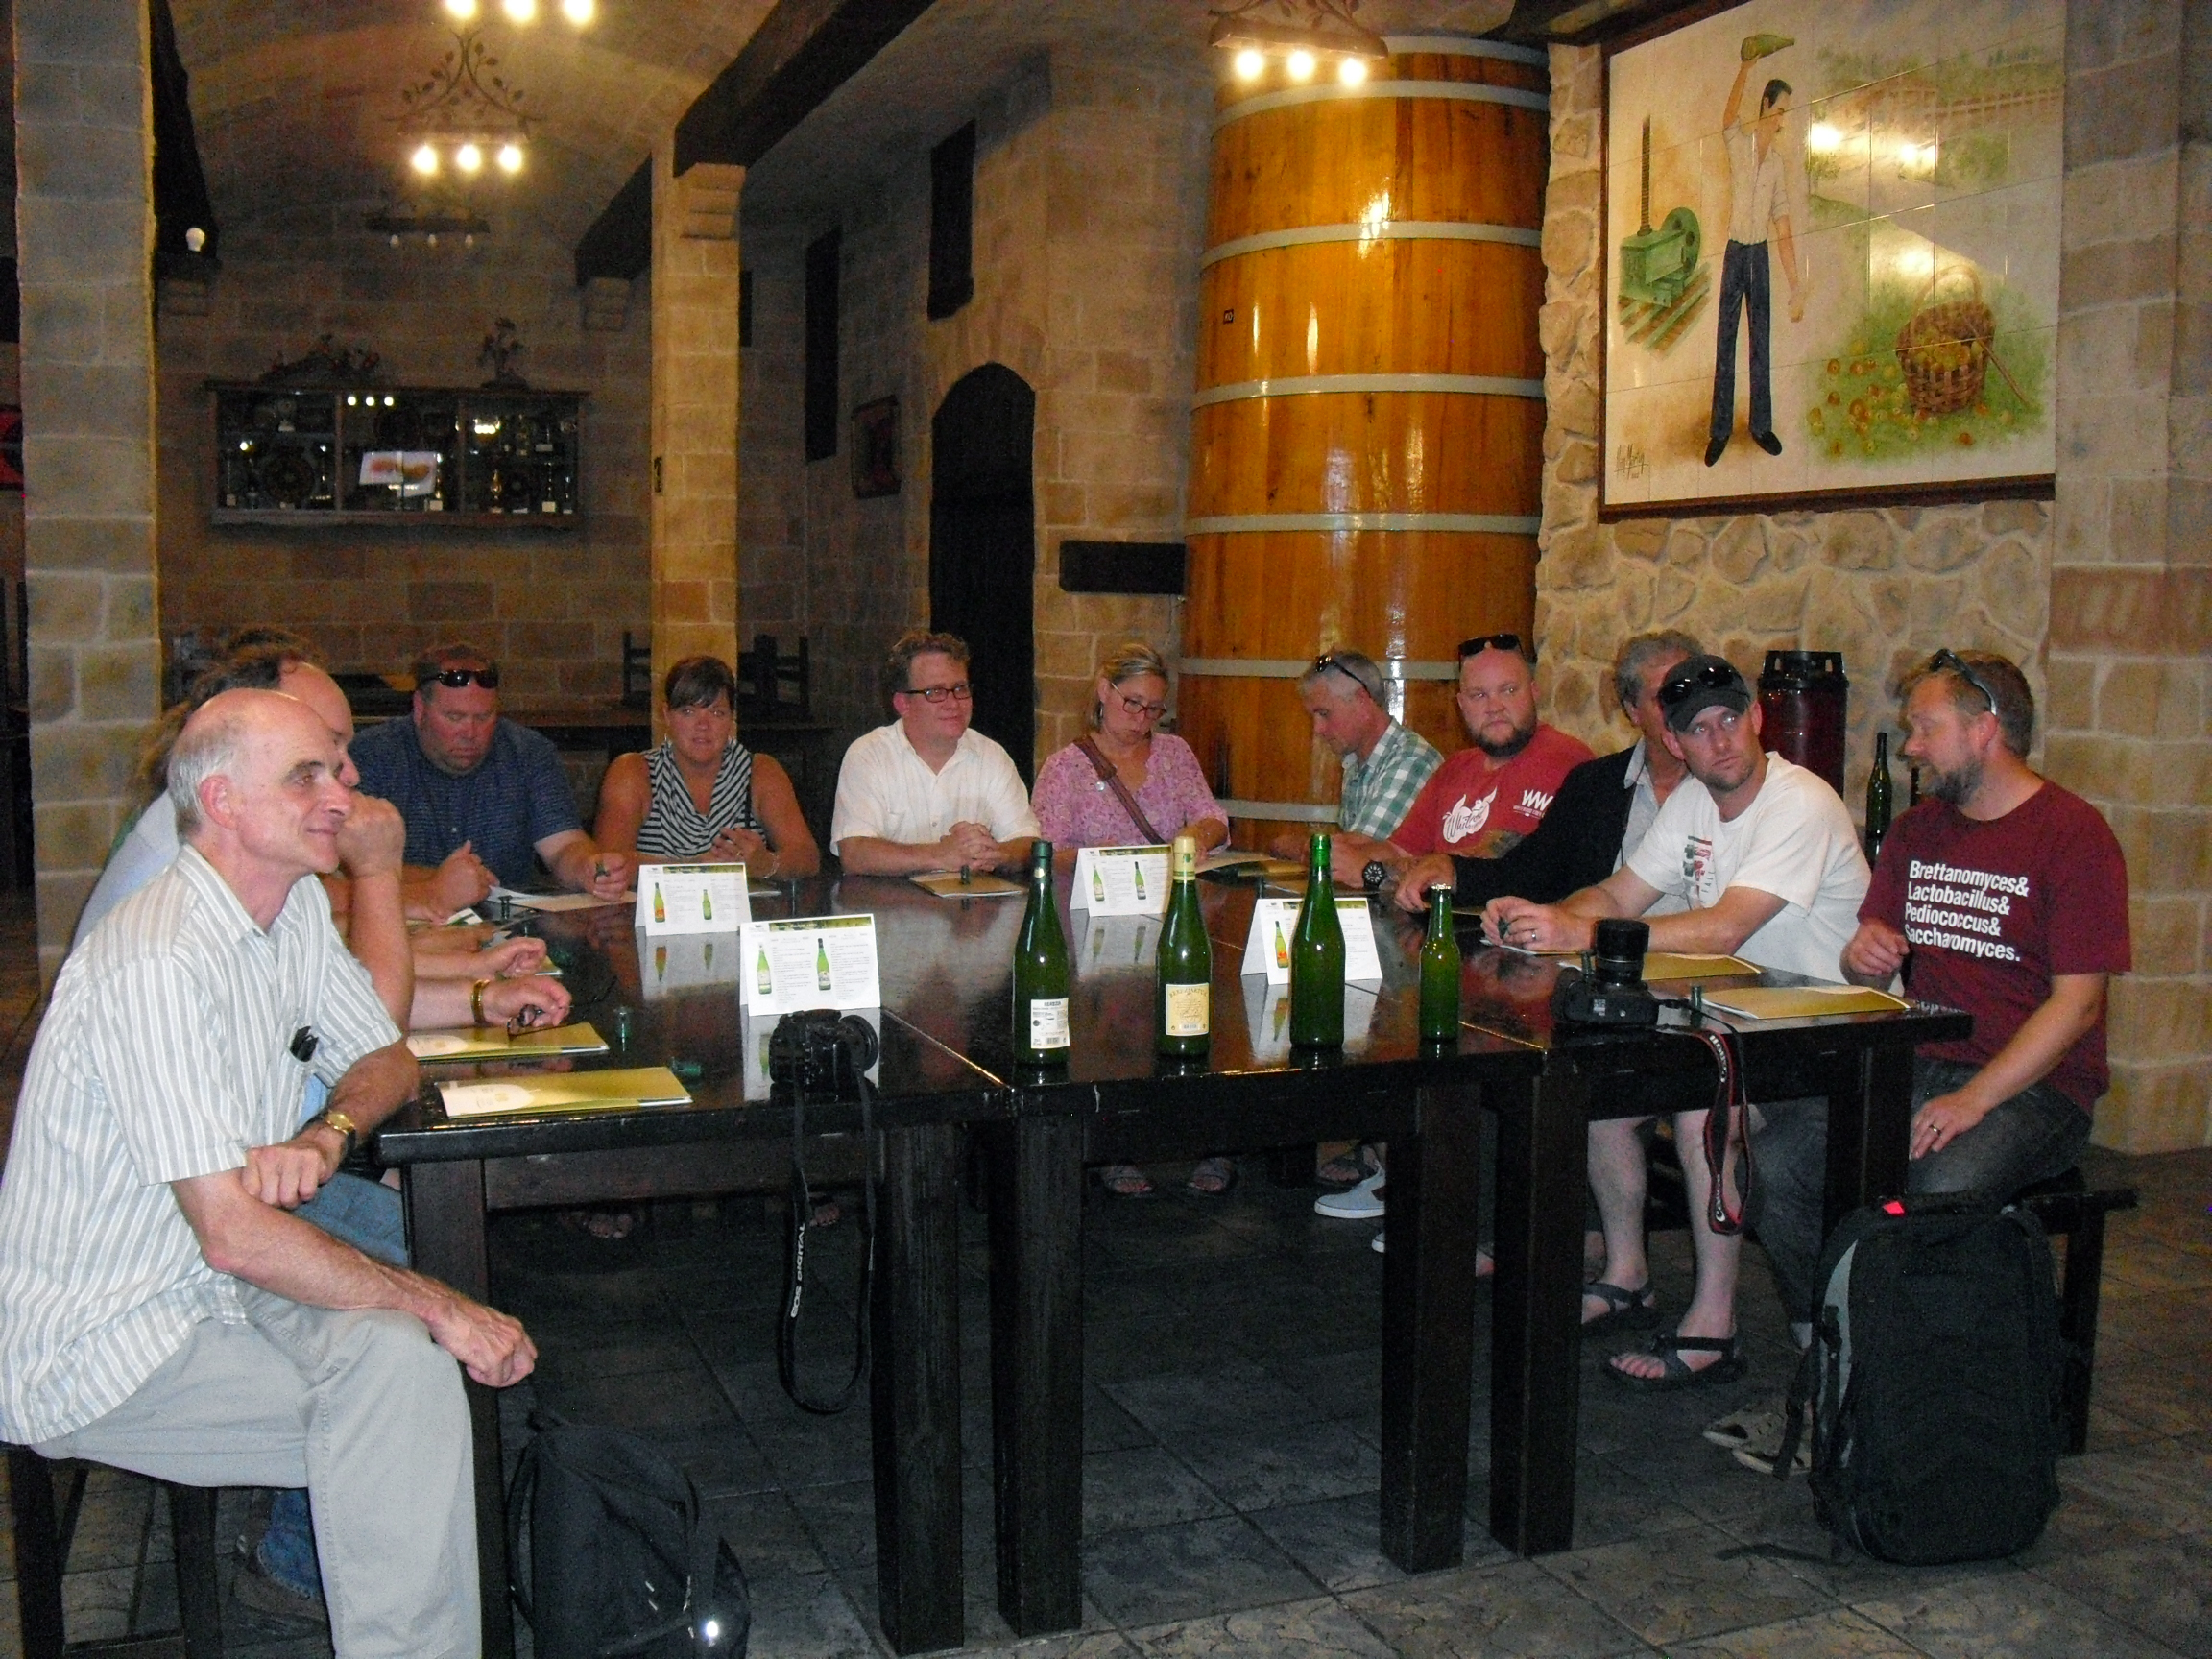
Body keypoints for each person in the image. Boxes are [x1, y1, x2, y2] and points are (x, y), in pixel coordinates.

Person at [0, 689, 537, 1653]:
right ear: (224, 801)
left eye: (336, 770)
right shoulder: (157, 960)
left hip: (205, 1287)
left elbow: (387, 1057)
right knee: (410, 1405)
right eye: (307, 776)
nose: (341, 794)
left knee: (404, 1368)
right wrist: (442, 1305)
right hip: (101, 1339)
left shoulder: (286, 915)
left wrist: (330, 1133)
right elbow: (234, 1234)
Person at [1486, 655, 1867, 1388]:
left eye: (1731, 719)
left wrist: (1583, 933)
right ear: (1675, 742)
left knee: (1704, 1114)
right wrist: (1546, 919)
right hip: (1736, 1022)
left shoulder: (1800, 800)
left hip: (1827, 1033)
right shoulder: (1694, 800)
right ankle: (1628, 1273)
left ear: (1757, 719)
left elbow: (1726, 929)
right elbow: (1618, 893)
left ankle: (1714, 1327)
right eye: (1699, 728)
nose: (1719, 739)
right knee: (1604, 1083)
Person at [1033, 641, 1231, 1196]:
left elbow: (1213, 817)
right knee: (1111, 1036)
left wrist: (1197, 834)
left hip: (1170, 916)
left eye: (1154, 709)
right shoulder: (1066, 767)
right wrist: (1118, 861)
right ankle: (1112, 1147)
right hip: (1097, 923)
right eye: (1132, 703)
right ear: (1104, 691)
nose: (1142, 719)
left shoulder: (1174, 754)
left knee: (1184, 1024)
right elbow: (1049, 851)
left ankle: (1208, 1138)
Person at [1394, 631, 1702, 916]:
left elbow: (1723, 926)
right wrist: (1453, 871)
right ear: (1633, 710)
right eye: (1665, 697)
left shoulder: (1724, 786)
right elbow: (1530, 874)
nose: (1682, 709)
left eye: (1691, 693)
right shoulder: (1595, 785)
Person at [350, 642, 632, 910]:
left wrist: (585, 867)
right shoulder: (371, 756)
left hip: (509, 921)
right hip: (404, 917)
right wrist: (442, 882)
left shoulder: (528, 753)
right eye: (455, 718)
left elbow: (563, 846)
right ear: (420, 709)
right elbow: (346, 866)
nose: (470, 733)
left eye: (484, 717)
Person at [1357, 636, 1592, 896]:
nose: (1494, 707)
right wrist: (1339, 856)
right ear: (1461, 705)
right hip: (1446, 916)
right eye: (1479, 695)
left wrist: (1402, 869)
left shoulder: (1565, 760)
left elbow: (1510, 859)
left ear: (1534, 692)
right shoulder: (1454, 768)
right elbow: (1399, 850)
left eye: (1509, 691)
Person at [830, 629, 1040, 876]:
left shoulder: (991, 756)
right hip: (892, 899)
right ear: (903, 704)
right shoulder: (868, 756)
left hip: (971, 899)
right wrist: (940, 855)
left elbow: (1028, 842)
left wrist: (995, 854)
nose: (953, 703)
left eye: (960, 689)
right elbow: (855, 854)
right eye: (936, 693)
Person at [593, 654, 821, 879]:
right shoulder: (633, 772)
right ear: (667, 715)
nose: (703, 725)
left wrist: (767, 864)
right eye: (688, 712)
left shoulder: (759, 772)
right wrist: (694, 867)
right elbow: (608, 864)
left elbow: (807, 857)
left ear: (731, 718)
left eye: (716, 713)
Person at [1706, 42, 1806, 468]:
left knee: (1760, 341)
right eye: (1780, 110)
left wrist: (1796, 284)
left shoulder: (1777, 165)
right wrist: (1745, 68)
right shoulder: (1740, 145)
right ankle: (1720, 430)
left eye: (1786, 113)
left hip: (1760, 257)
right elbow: (1728, 117)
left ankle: (1761, 426)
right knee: (1726, 340)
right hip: (1735, 253)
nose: (1782, 119)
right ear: (1766, 106)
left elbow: (1783, 227)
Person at [1265, 650, 1443, 887]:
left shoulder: (1412, 760)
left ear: (1361, 700)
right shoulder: (1357, 760)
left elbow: (1354, 855)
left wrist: (1292, 845)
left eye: (1324, 713)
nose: (1318, 729)